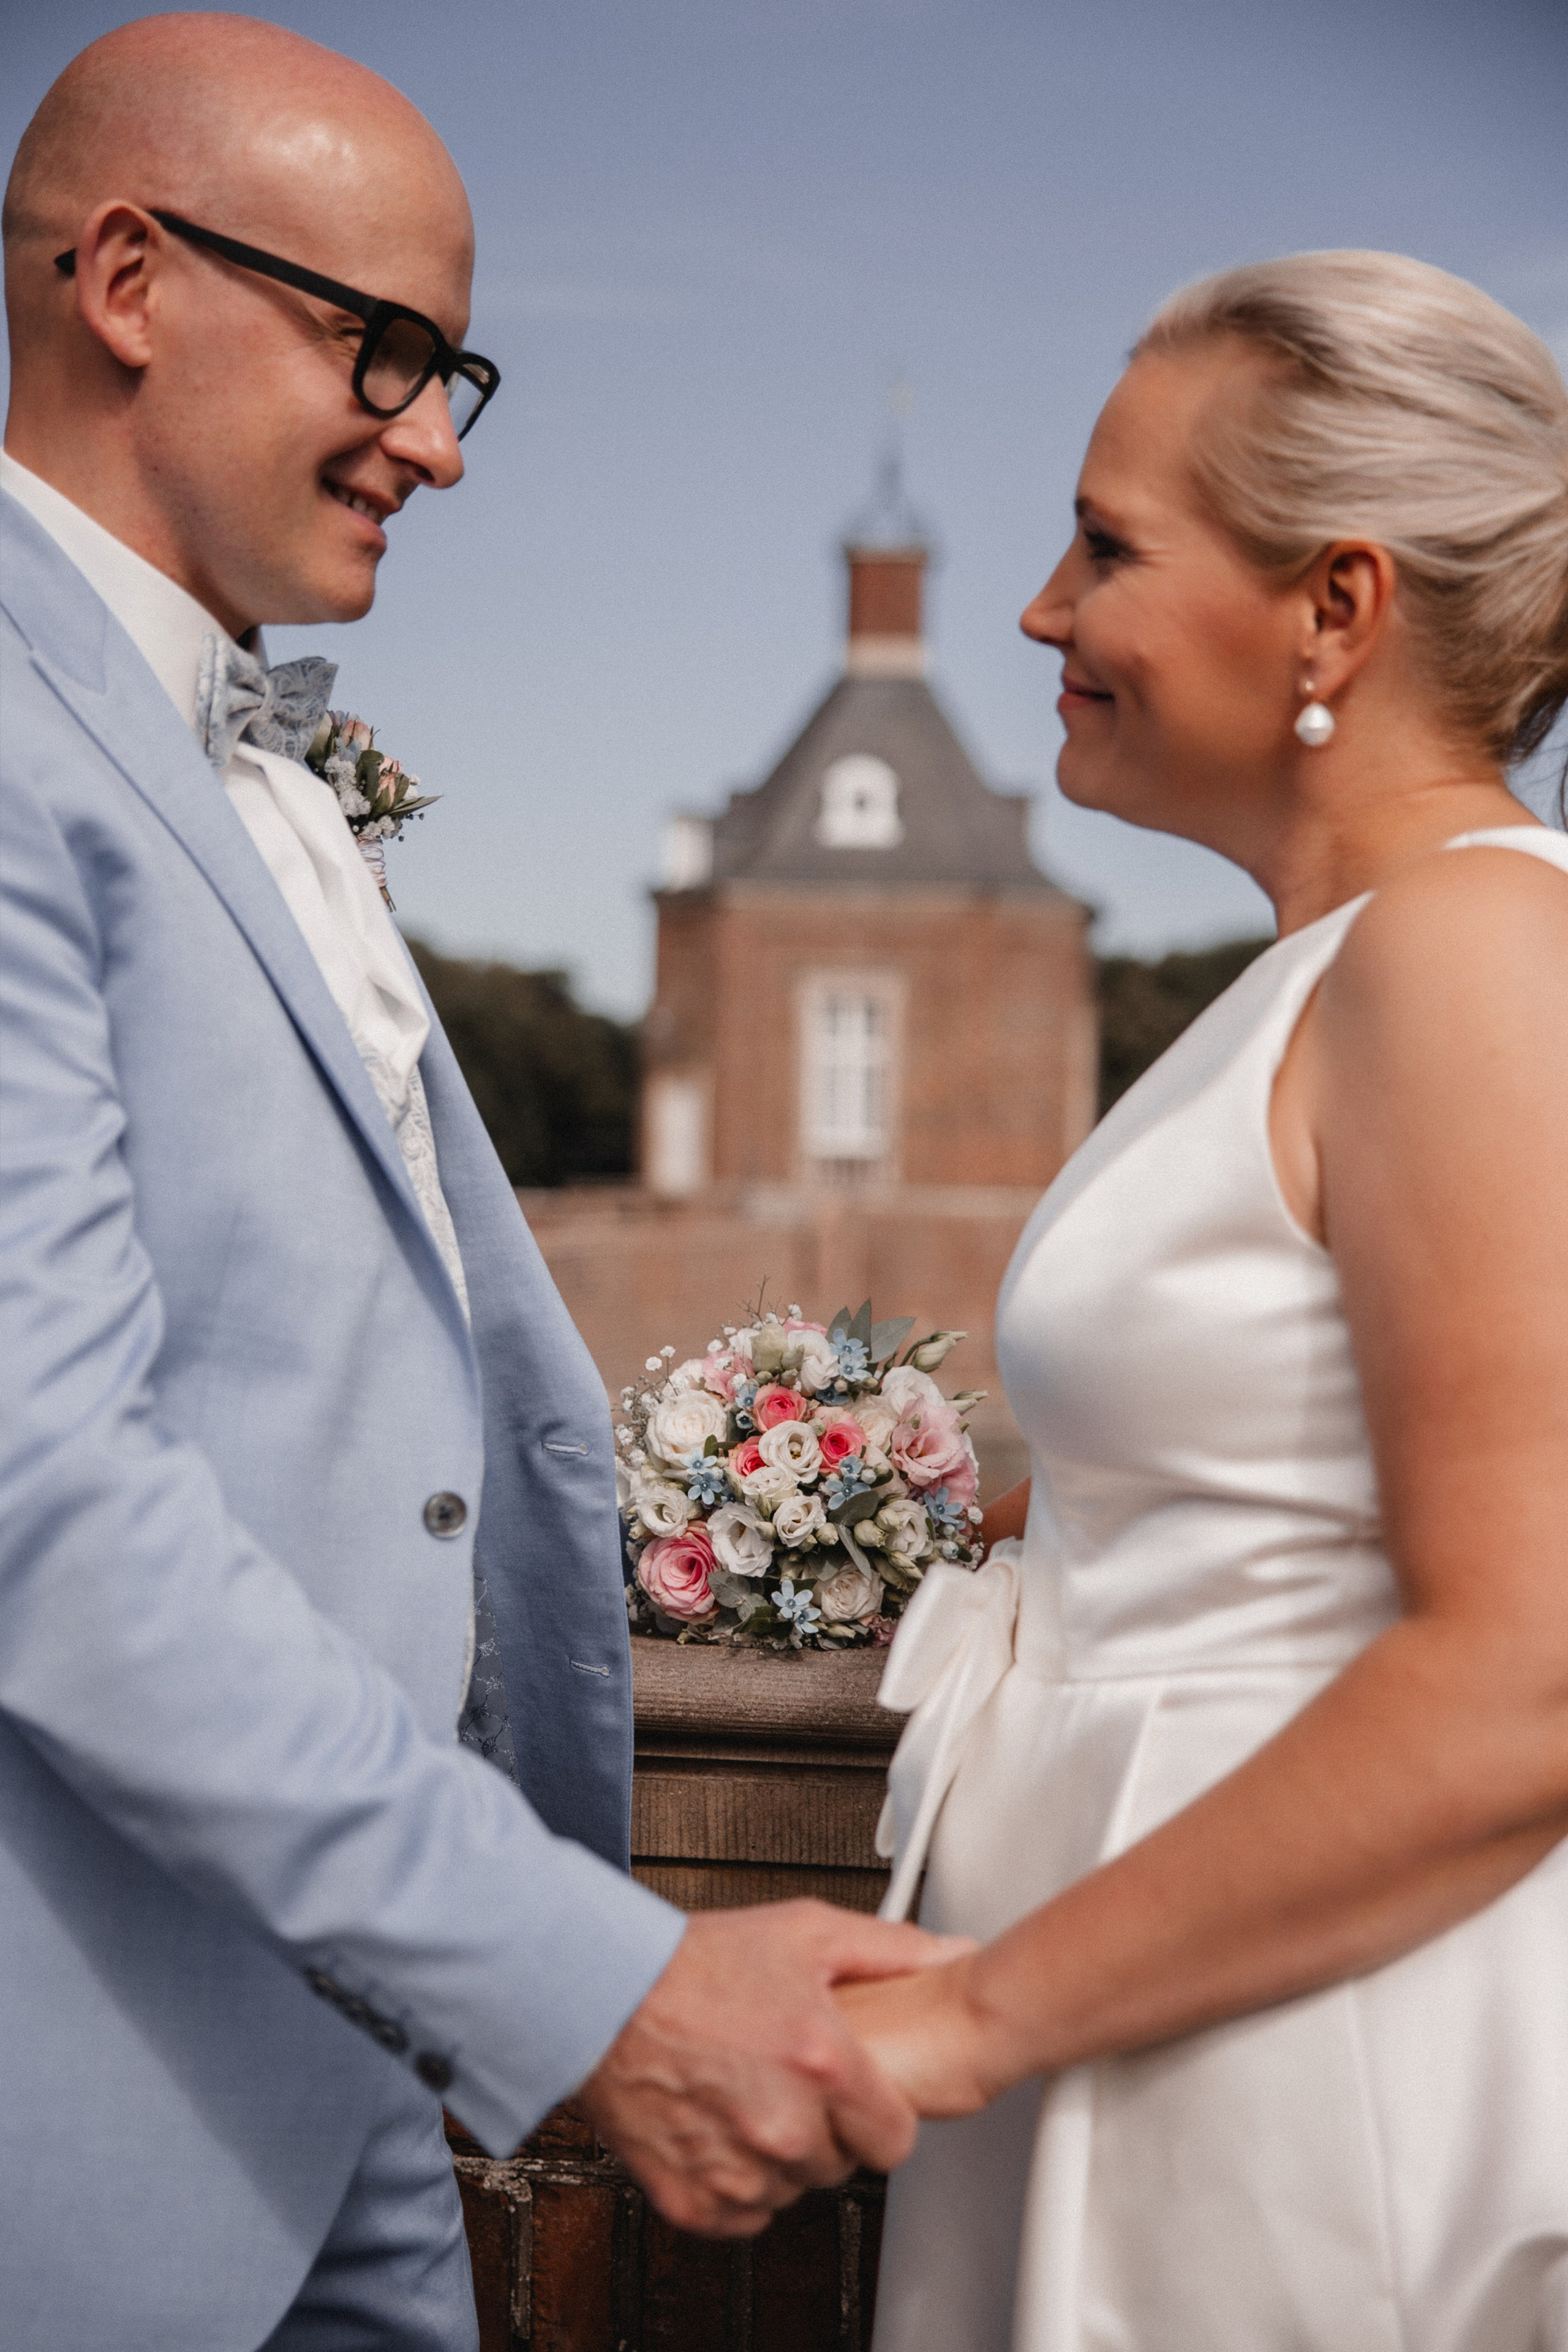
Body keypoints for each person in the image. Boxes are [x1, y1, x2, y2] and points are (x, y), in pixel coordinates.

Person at [0, 19, 955, 2351]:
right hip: (80, 2106)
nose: (437, 440)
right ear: (129, 275)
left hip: (344, 2072)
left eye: (465, 375)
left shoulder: (252, 755)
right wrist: (589, 1981)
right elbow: (45, 1501)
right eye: (388, 350)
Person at [838, 250, 1568, 2350]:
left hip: (1301, 2070)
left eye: (1104, 545)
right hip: (1163, 2027)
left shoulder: (1466, 956)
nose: (1044, 612)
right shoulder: (1324, 974)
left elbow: (1529, 1663)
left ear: (1338, 605)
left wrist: (975, 2015)